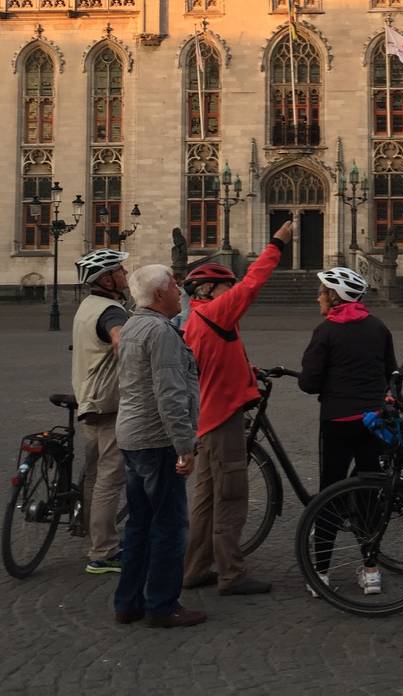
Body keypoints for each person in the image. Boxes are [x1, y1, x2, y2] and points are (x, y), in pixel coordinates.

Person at [182, 222, 293, 596]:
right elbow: (252, 283)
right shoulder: (215, 312)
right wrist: (276, 244)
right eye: (225, 285)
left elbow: (217, 359)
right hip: (222, 419)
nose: (232, 290)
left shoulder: (198, 321)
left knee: (206, 498)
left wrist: (249, 371)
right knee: (231, 497)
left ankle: (194, 568)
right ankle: (231, 573)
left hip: (207, 418)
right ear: (210, 289)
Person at [114, 265, 203, 628]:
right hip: (157, 439)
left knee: (139, 523)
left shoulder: (134, 325)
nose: (179, 289)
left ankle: (128, 602)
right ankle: (163, 605)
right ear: (159, 294)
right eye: (173, 285)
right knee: (169, 525)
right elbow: (170, 394)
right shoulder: (160, 332)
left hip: (132, 436)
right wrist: (185, 446)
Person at [299, 267, 397, 595]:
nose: (318, 297)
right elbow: (389, 370)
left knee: (330, 493)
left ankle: (321, 574)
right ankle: (371, 570)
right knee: (368, 493)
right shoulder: (378, 327)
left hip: (338, 422)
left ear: (334, 297)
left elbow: (309, 382)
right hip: (372, 422)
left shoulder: (326, 331)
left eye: (322, 292)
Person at [71, 249, 130, 575]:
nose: (125, 274)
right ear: (106, 279)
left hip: (87, 400)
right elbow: (121, 339)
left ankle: (95, 537)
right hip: (108, 405)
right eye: (120, 271)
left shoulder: (87, 306)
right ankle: (104, 551)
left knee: (94, 475)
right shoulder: (111, 311)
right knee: (110, 478)